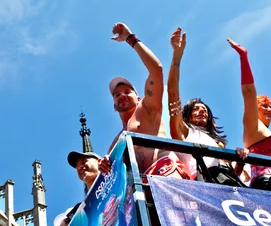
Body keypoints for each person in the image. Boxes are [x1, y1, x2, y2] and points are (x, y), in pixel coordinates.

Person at [228, 38, 271, 193]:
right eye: (264, 106)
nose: (269, 110)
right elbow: (248, 93)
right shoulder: (252, 127)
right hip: (270, 182)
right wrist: (243, 57)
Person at [168, 27, 236, 183]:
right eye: (196, 109)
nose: (202, 111)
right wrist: (177, 55)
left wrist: (239, 158)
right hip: (205, 181)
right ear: (187, 114)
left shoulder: (216, 142)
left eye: (205, 110)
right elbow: (172, 92)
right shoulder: (184, 131)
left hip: (230, 181)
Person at [100, 22, 167, 173]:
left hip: (165, 175)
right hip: (140, 190)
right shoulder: (116, 144)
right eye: (117, 95)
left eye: (127, 91)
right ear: (114, 106)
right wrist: (104, 164)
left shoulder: (147, 109)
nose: (122, 95)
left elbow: (157, 70)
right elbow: (110, 175)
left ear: (138, 98)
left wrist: (130, 38)